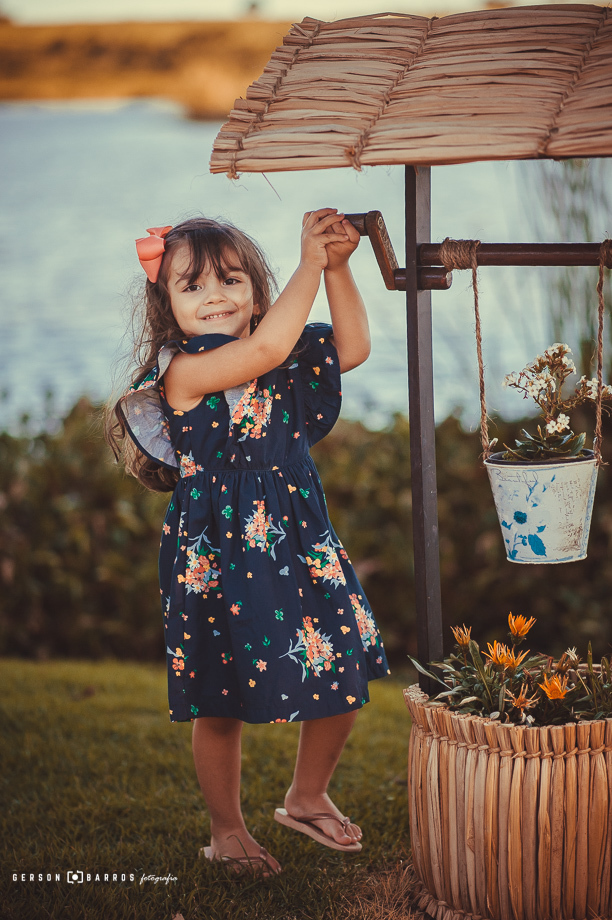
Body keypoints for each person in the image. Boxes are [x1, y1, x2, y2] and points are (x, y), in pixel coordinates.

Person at [107, 209, 390, 876]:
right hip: (220, 557)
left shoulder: (284, 353)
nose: (216, 296)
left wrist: (340, 267)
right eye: (192, 286)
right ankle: (227, 829)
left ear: (259, 294)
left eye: (233, 280)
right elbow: (259, 353)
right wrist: (310, 263)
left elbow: (350, 349)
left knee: (342, 659)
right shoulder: (181, 372)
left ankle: (307, 794)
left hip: (298, 540)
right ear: (168, 307)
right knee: (220, 694)